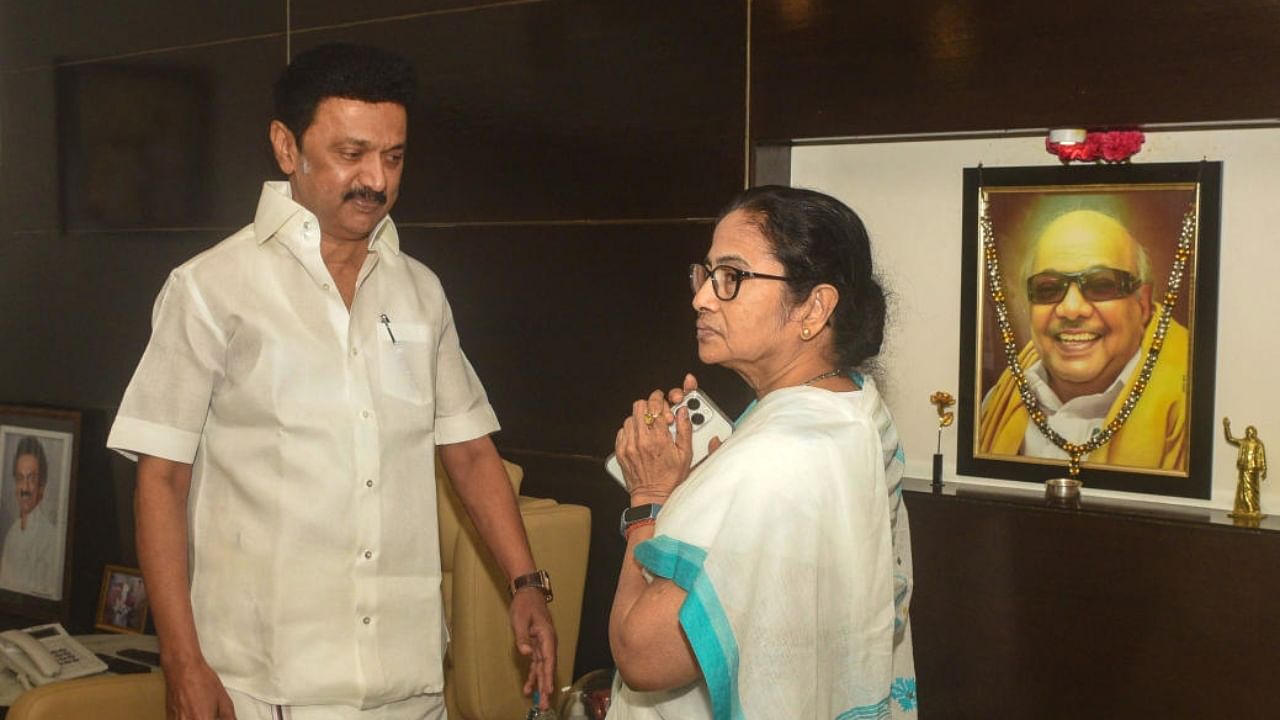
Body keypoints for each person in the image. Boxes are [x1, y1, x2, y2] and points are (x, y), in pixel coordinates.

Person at [107, 43, 556, 720]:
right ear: (287, 148)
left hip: (408, 686)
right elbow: (161, 479)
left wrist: (526, 583)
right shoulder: (210, 290)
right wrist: (181, 659)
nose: (376, 178)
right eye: (351, 153)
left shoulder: (421, 293)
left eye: (394, 156)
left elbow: (468, 451)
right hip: (263, 687)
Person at [606, 185, 917, 718]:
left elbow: (643, 655)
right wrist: (705, 482)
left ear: (814, 307)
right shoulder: (852, 408)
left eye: (732, 277)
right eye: (704, 273)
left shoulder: (774, 459)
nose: (701, 297)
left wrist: (650, 501)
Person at [978, 209, 1189, 471]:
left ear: (1143, 305)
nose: (1071, 309)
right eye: (1048, 288)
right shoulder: (997, 401)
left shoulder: (1191, 405)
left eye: (1101, 285)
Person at [0, 436, 59, 598]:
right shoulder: (11, 534)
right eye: (20, 479)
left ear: (42, 485)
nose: (24, 488)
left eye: (31, 479)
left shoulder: (52, 538)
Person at [1224, 418, 1267, 518]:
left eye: (1250, 432)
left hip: (1253, 470)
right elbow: (1230, 439)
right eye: (1247, 432)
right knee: (1242, 489)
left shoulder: (1258, 444)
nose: (1249, 434)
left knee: (1252, 490)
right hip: (1243, 469)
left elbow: (1262, 457)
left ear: (1254, 433)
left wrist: (1264, 469)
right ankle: (1241, 509)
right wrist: (1226, 426)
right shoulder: (1243, 442)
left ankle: (1252, 509)